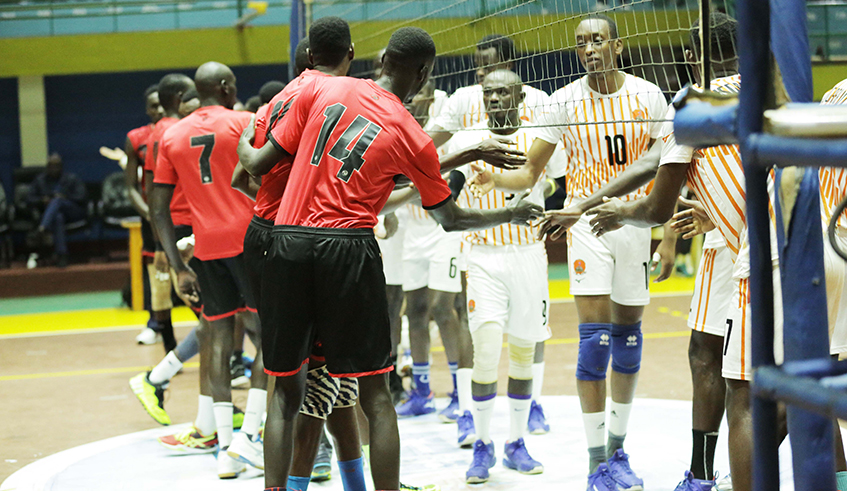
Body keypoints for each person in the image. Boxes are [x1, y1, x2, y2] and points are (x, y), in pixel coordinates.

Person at [236, 26, 542, 491]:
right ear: (424, 73)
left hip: (287, 240)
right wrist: (514, 211)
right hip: (347, 250)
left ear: (380, 62)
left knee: (285, 391)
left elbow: (260, 166)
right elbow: (451, 219)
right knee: (375, 394)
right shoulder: (409, 132)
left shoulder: (325, 86)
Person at [469, 14, 667, 491]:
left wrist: (666, 233)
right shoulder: (562, 102)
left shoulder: (648, 95)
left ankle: (618, 451)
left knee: (630, 341)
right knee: (594, 342)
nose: (589, 48)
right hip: (586, 228)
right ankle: (596, 460)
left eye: (598, 40)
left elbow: (667, 162)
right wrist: (494, 177)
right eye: (581, 42)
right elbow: (531, 172)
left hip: (635, 224)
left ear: (617, 46)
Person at [150, 61, 267, 479]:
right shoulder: (245, 120)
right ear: (223, 87)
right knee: (267, 338)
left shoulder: (172, 134)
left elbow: (158, 208)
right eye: (233, 84)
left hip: (207, 248)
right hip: (252, 242)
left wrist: (180, 265)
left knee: (217, 340)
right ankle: (247, 439)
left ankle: (222, 447)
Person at [454, 69, 566, 483]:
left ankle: (516, 442)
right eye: (489, 93)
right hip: (483, 255)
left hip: (529, 254)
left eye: (503, 92)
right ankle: (482, 444)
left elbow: (549, 179)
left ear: (520, 97)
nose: (495, 98)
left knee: (523, 352)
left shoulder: (540, 138)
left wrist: (524, 196)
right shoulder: (468, 140)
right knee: (485, 351)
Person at [27, 153, 87, 268]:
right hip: (52, 215)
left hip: (72, 211)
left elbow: (82, 197)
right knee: (58, 217)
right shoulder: (40, 180)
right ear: (47, 167)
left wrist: (66, 197)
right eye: (51, 165)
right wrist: (42, 200)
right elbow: (29, 199)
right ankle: (62, 255)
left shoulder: (71, 178)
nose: (54, 168)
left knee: (58, 200)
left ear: (61, 167)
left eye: (57, 165)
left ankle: (42, 229)